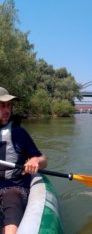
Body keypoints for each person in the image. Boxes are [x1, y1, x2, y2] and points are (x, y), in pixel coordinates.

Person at [0, 87, 47, 234]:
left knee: (11, 198)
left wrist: (35, 161)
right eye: (2, 105)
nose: (7, 109)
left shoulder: (18, 133)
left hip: (14, 188)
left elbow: (43, 160)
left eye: (8, 105)